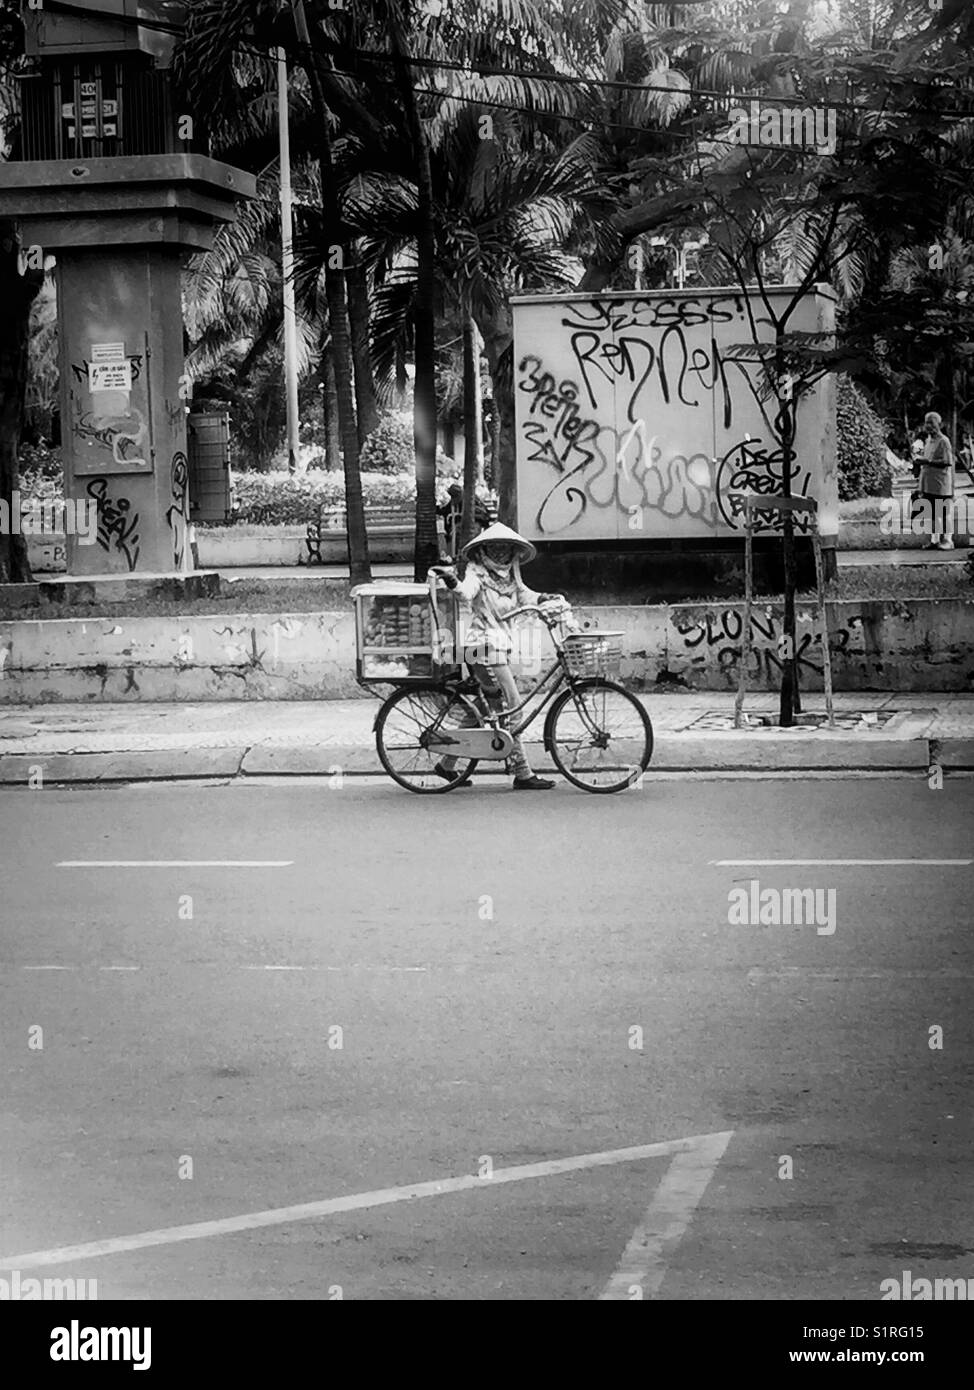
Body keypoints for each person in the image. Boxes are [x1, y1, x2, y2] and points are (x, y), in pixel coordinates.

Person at [431, 522, 567, 790]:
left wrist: (542, 598)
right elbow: (465, 593)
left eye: (505, 548)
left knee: (484, 710)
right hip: (482, 648)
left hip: (498, 647)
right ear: (484, 549)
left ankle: (446, 765)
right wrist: (453, 581)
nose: (501, 552)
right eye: (496, 547)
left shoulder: (511, 575)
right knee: (511, 706)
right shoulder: (476, 572)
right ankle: (522, 772)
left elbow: (524, 594)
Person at [918, 411, 955, 550]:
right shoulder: (928, 441)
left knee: (943, 513)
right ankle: (934, 540)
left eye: (931, 423)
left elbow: (947, 462)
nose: (928, 426)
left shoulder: (944, 441)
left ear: (939, 425)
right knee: (932, 514)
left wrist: (928, 461)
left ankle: (948, 540)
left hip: (941, 485)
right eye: (926, 423)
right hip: (929, 485)